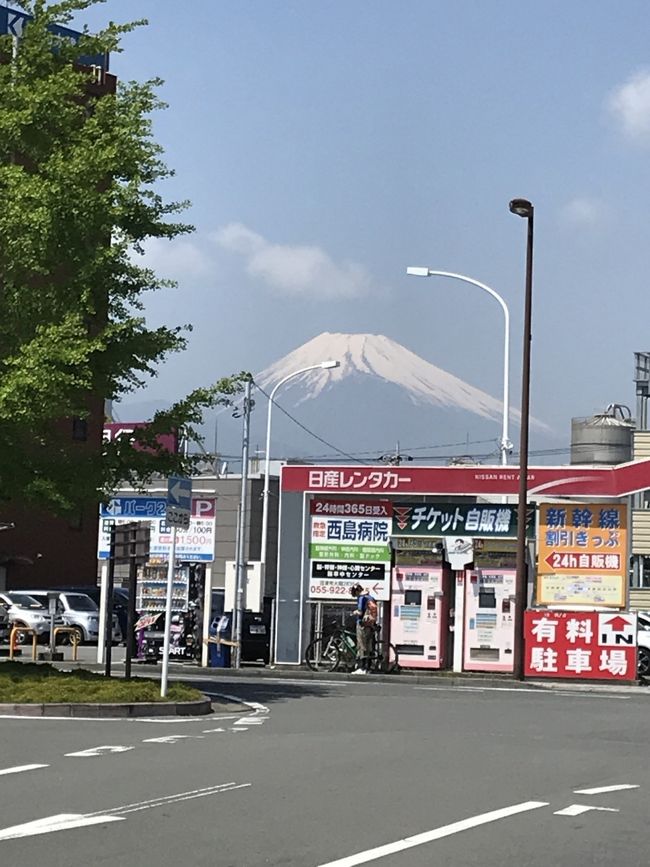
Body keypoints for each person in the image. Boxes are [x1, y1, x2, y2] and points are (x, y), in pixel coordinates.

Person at [349, 583, 378, 674]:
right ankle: (368, 667)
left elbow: (360, 612)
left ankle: (362, 668)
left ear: (357, 591)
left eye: (354, 592)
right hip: (370, 624)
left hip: (362, 624)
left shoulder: (362, 598)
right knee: (368, 646)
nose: (354, 594)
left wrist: (354, 612)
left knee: (362, 646)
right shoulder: (370, 597)